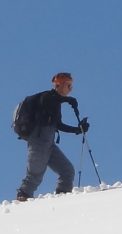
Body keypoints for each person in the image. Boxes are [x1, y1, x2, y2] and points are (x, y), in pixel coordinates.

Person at [16, 72, 89, 201]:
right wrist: (67, 100)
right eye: (68, 85)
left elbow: (58, 125)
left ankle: (62, 198)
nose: (70, 89)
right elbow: (50, 101)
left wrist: (77, 130)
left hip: (49, 142)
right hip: (38, 141)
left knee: (67, 170)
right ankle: (22, 199)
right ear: (59, 84)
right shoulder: (47, 97)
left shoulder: (56, 103)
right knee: (35, 174)